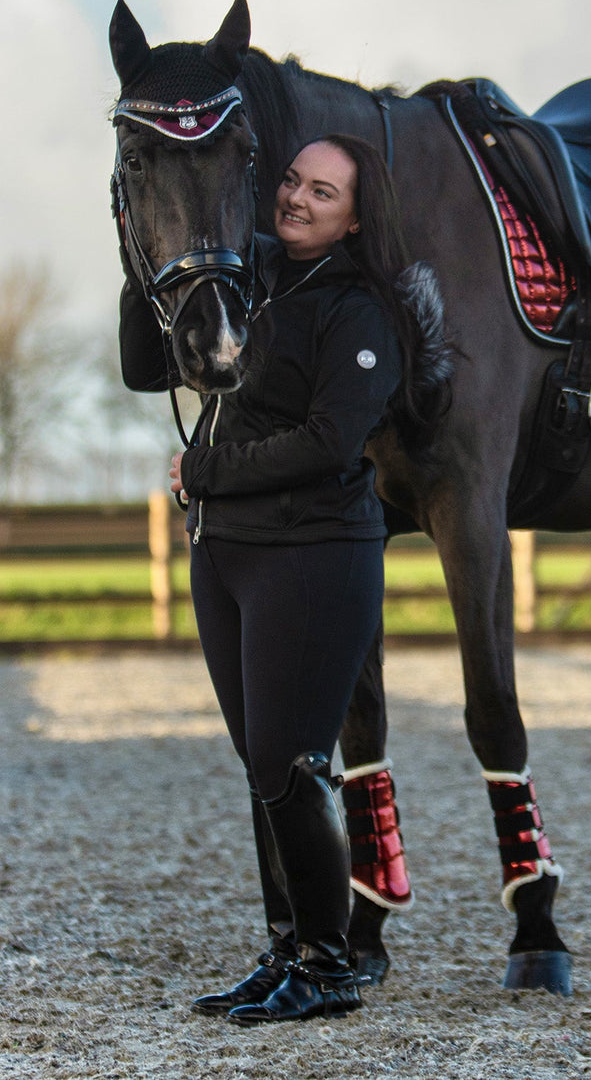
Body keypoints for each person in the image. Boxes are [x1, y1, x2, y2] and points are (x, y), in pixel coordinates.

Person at [121, 133, 441, 1026]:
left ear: (356, 215)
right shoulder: (241, 278)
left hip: (315, 556)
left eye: (323, 191)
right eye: (293, 180)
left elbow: (331, 442)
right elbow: (144, 368)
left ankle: (332, 967)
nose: (297, 198)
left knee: (293, 764)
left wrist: (206, 471)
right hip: (225, 553)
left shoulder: (362, 310)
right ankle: (288, 949)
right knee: (263, 768)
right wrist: (138, 250)